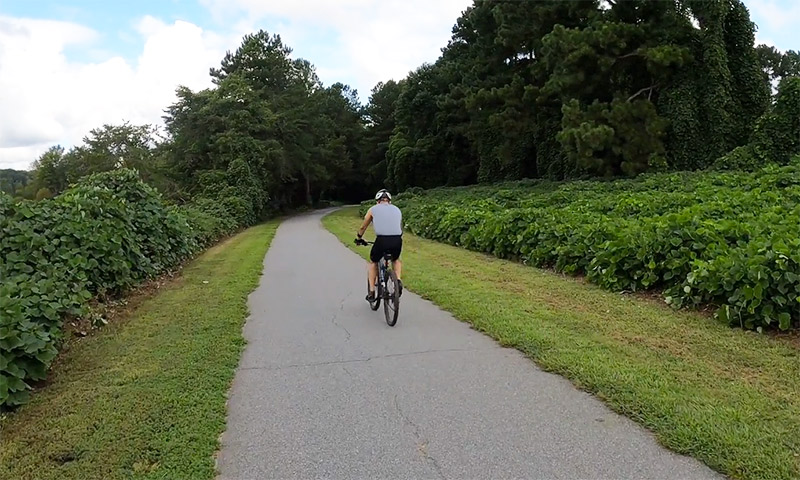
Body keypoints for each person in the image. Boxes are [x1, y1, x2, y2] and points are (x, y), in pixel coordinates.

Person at [355, 189, 403, 302]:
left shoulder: (373, 209)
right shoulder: (397, 209)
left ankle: (371, 292)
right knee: (396, 259)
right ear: (389, 201)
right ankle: (398, 281)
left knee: (373, 262)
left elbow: (363, 227)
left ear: (377, 201)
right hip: (397, 239)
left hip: (381, 240)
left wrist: (359, 238)